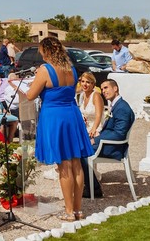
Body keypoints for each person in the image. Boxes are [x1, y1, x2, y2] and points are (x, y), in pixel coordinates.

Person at [26, 37, 94, 222]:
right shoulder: (71, 69)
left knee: (64, 165)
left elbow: (31, 95)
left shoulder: (45, 69)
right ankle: (79, 210)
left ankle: (69, 211)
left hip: (55, 117)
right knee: (76, 164)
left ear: (46, 51)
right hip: (72, 115)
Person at [81, 78, 135, 199]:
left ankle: (93, 189)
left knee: (81, 152)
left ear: (115, 88)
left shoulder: (122, 108)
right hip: (107, 142)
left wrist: (97, 140)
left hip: (114, 147)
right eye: (102, 88)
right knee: (79, 147)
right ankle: (89, 186)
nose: (104, 91)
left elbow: (119, 134)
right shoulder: (116, 105)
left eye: (106, 88)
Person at [75, 73, 105, 138]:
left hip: (96, 128)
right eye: (83, 81)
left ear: (93, 84)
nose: (84, 84)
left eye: (88, 82)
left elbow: (98, 116)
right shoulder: (83, 95)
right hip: (86, 128)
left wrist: (93, 129)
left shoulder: (96, 95)